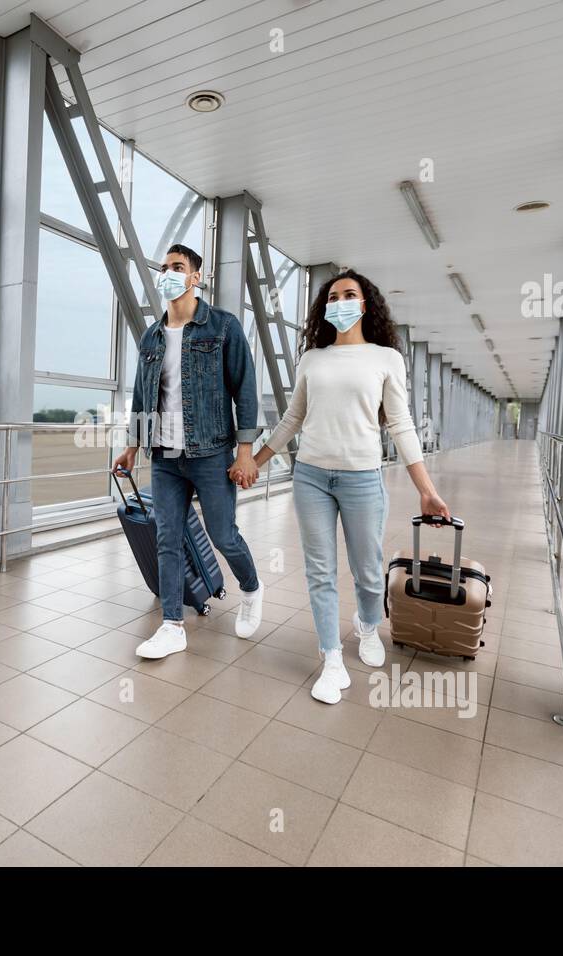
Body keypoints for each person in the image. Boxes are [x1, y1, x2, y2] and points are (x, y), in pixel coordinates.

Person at [248, 269, 451, 704]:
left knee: (367, 569)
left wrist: (426, 490)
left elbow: (401, 425)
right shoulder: (312, 360)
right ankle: (332, 658)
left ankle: (366, 624)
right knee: (320, 572)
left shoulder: (385, 358)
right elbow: (292, 420)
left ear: (365, 303)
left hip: (362, 478)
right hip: (311, 478)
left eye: (349, 294)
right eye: (333, 295)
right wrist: (254, 463)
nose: (340, 301)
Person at [112, 244, 264, 659]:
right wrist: (132, 446)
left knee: (222, 535)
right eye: (164, 267)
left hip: (211, 452)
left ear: (196, 277)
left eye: (177, 267)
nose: (168, 273)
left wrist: (245, 452)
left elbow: (245, 390)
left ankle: (251, 588)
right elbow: (143, 397)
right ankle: (173, 625)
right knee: (167, 538)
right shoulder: (151, 336)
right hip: (164, 456)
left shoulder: (223, 327)